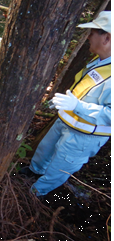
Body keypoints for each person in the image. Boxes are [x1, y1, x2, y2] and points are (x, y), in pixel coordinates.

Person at [20, 11, 111, 197]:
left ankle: (34, 194)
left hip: (83, 136)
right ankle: (32, 172)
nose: (89, 37)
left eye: (92, 32)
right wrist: (66, 103)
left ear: (107, 38)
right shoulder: (100, 61)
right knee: (44, 152)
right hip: (66, 121)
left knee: (59, 168)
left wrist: (77, 106)